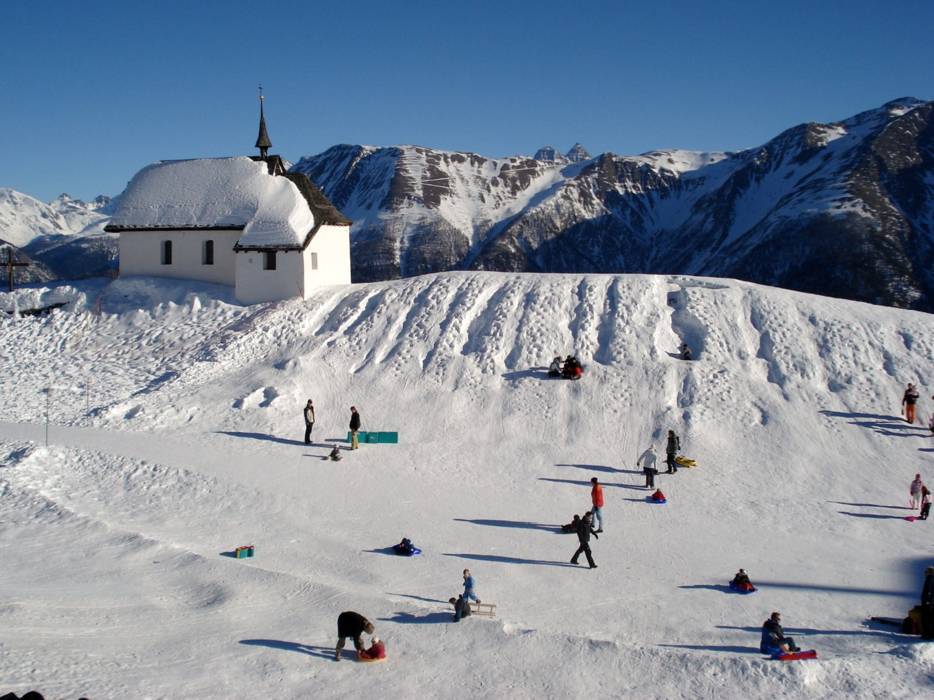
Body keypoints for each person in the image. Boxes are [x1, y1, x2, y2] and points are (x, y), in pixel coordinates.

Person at [920, 567, 934, 639]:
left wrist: (928, 602)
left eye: (926, 572)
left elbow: (929, 592)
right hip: (929, 602)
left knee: (926, 619)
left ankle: (927, 634)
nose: (925, 574)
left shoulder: (930, 579)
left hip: (928, 603)